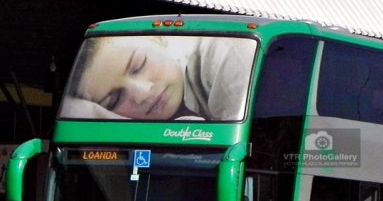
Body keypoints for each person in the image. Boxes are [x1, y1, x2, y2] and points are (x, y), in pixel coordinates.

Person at [59, 35, 256, 120]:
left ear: (159, 39)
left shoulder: (225, 55)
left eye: (139, 65)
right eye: (115, 99)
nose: (143, 93)